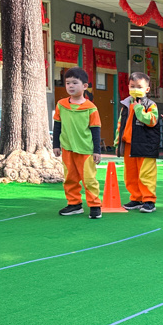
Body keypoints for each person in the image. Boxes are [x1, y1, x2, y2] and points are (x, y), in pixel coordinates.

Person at [53, 67, 102, 219]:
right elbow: (57, 126)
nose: (71, 86)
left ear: (85, 86)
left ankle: (95, 206)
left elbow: (95, 130)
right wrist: (56, 145)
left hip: (86, 150)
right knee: (70, 178)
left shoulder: (91, 108)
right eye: (68, 83)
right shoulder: (61, 105)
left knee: (89, 179)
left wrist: (97, 150)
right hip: (67, 148)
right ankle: (74, 204)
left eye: (75, 83)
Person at [115, 72, 159, 212]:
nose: (135, 89)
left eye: (139, 87)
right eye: (132, 86)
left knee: (146, 173)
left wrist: (139, 109)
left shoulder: (150, 105)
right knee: (130, 174)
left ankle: (149, 200)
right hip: (129, 144)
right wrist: (117, 141)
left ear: (147, 89)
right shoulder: (126, 104)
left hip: (145, 144)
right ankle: (136, 198)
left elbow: (152, 120)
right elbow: (120, 124)